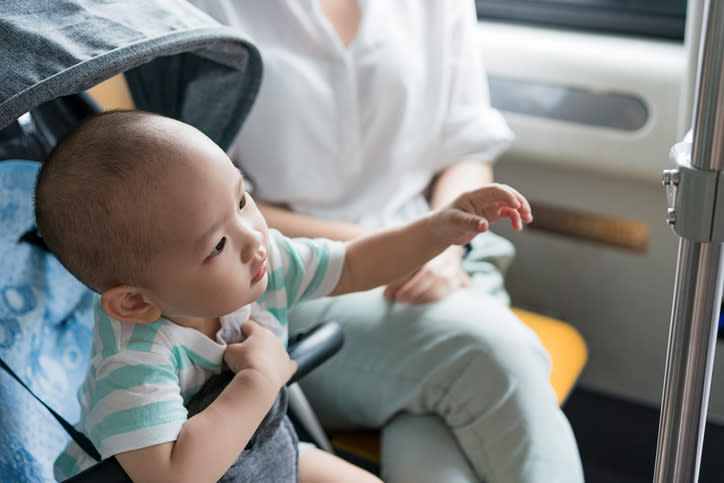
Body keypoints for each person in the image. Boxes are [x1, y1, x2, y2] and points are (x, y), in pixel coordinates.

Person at [190, 1, 585, 482]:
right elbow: (212, 206)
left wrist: (444, 246)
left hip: (442, 264)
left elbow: (466, 148)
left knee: (441, 437)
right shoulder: (207, 9)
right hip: (299, 281)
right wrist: (409, 245)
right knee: (494, 355)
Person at [36, 110, 533, 482]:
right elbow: (174, 476)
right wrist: (261, 377)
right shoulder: (135, 361)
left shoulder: (256, 261)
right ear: (135, 302)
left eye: (242, 199)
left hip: (265, 452)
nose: (254, 236)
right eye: (217, 244)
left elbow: (356, 263)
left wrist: (433, 232)